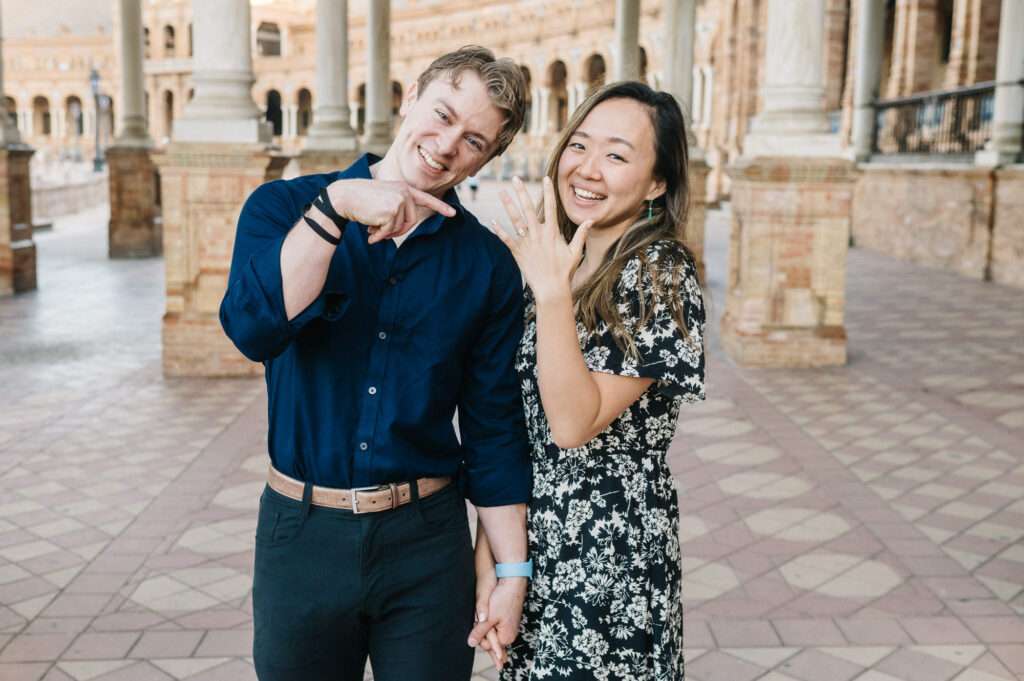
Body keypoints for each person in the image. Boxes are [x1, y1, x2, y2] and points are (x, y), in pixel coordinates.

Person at [219, 46, 532, 681]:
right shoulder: (285, 208)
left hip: (425, 545)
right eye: (441, 115)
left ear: (489, 158)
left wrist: (511, 574)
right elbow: (255, 328)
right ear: (411, 94)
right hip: (301, 534)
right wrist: (333, 212)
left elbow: (494, 431)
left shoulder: (486, 267)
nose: (446, 146)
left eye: (473, 140)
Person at [470, 81, 707, 680]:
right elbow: (513, 435)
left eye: (617, 154)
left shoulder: (661, 276)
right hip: (532, 553)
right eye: (580, 144)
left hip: (611, 561)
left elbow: (573, 424)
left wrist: (550, 293)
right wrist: (496, 567)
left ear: (658, 183)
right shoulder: (552, 265)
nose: (588, 168)